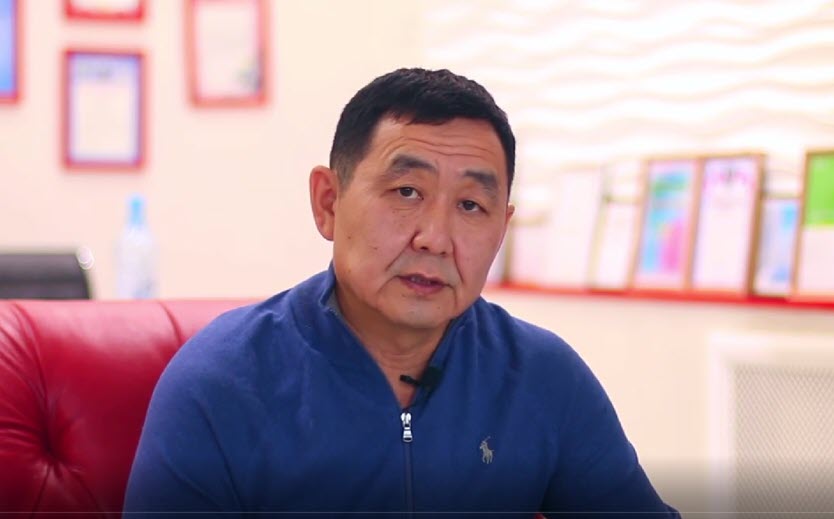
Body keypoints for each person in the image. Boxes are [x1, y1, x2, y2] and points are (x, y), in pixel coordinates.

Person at [124, 68, 679, 517]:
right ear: (328, 203)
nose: (435, 238)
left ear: (502, 229)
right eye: (407, 191)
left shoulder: (542, 377)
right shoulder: (221, 384)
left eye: (471, 205)